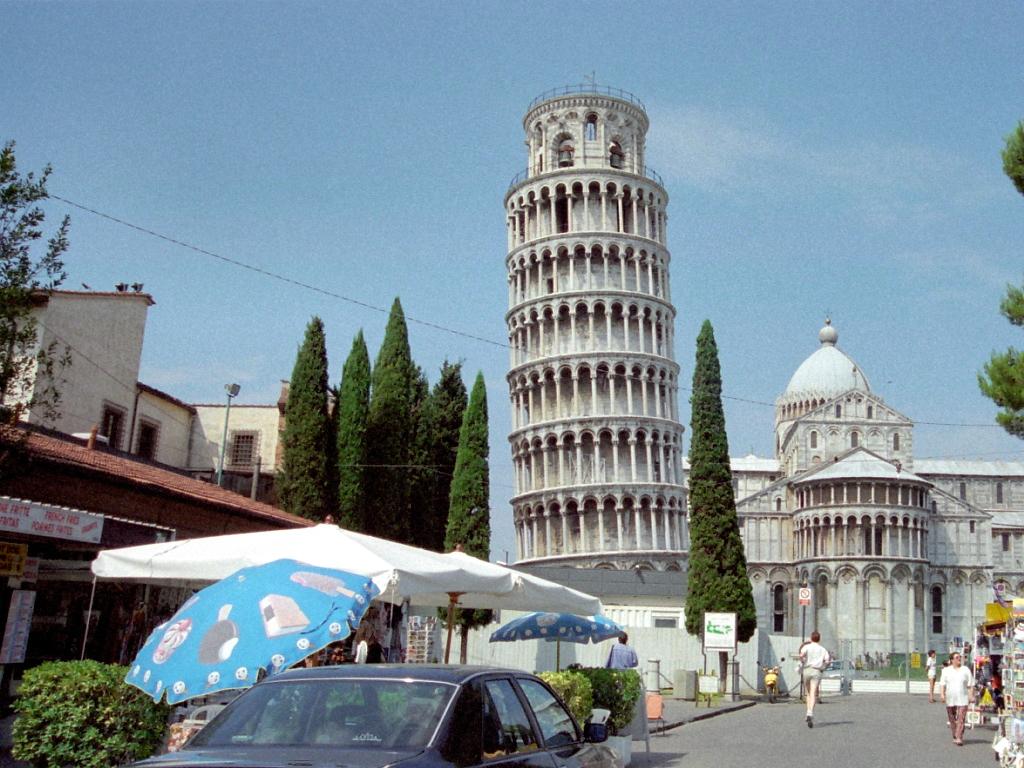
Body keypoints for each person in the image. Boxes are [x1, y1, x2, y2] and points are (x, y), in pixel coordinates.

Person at [940, 652, 975, 746]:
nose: (959, 659)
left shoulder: (965, 669)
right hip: (950, 698)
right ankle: (955, 735)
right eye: (956, 657)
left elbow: (970, 684)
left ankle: (959, 737)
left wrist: (971, 695)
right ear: (952, 660)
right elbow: (942, 684)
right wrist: (942, 694)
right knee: (952, 718)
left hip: (963, 698)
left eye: (960, 657)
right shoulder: (946, 670)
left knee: (961, 718)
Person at [798, 631, 830, 728]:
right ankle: (810, 712)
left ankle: (808, 712)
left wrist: (803, 661)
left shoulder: (806, 647)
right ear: (819, 639)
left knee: (808, 693)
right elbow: (827, 661)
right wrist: (823, 667)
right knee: (813, 693)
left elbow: (801, 656)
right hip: (816, 671)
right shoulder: (823, 649)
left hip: (807, 670)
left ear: (811, 638)